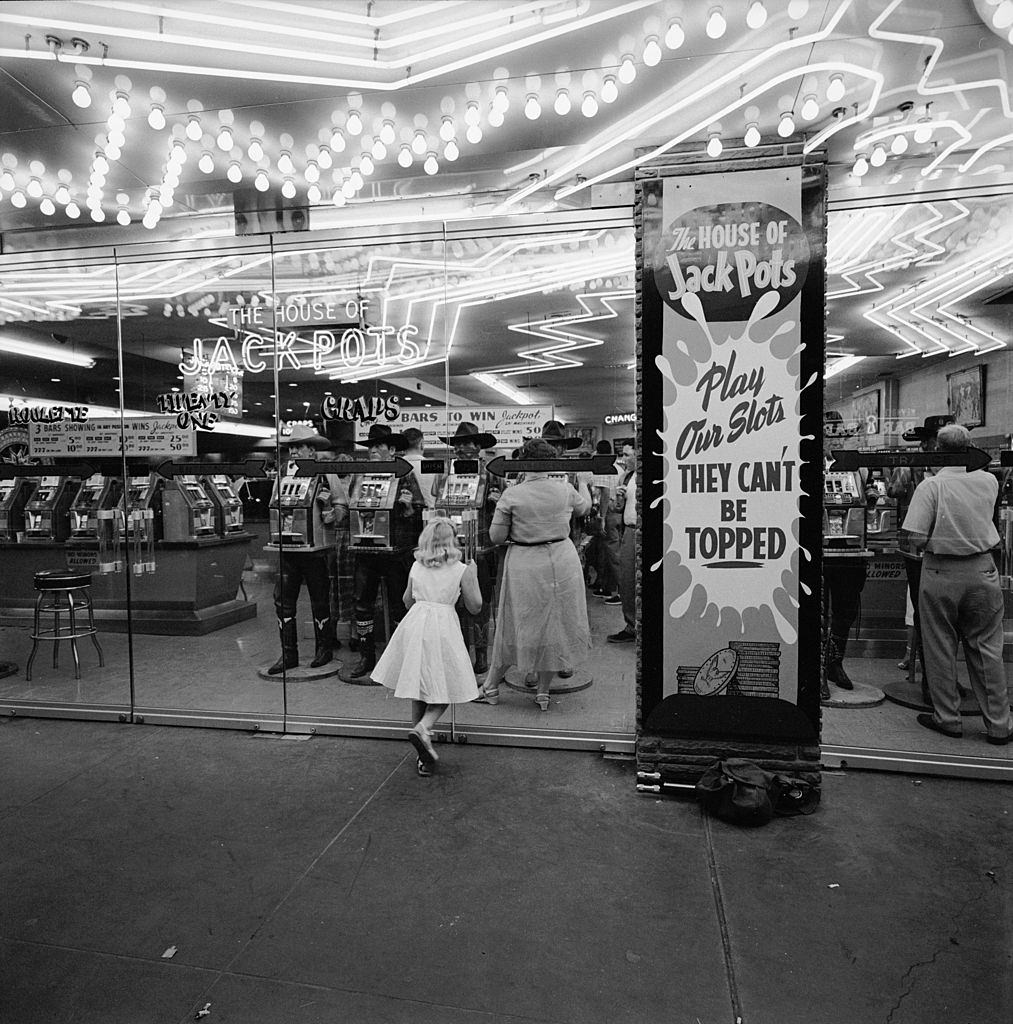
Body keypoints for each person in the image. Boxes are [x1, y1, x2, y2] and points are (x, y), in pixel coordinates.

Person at [902, 423, 1012, 745]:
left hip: (941, 573)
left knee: (940, 647)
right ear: (970, 446)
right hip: (983, 570)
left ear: (938, 449)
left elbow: (917, 538)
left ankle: (948, 718)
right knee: (988, 650)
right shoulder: (989, 481)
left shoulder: (932, 487)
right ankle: (999, 725)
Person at [474, 437, 592, 710]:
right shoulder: (564, 490)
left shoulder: (512, 494)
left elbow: (496, 536)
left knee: (519, 623)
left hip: (526, 561)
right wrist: (583, 483)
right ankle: (543, 692)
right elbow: (584, 507)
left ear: (524, 462)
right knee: (556, 622)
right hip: (562, 558)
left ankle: (491, 685)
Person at [371, 517, 483, 775]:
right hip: (442, 628)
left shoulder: (417, 566)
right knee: (445, 688)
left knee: (418, 688)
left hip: (415, 626)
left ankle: (422, 756)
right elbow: (475, 606)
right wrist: (473, 577)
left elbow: (406, 600)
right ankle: (424, 728)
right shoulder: (461, 569)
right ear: (451, 542)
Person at [339, 424, 426, 683]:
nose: (374, 450)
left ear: (392, 449)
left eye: (380, 446)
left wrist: (410, 509)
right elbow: (350, 504)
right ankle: (367, 656)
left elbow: (419, 510)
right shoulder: (360, 474)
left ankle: (401, 660)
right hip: (365, 548)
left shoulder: (405, 473)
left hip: (397, 550)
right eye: (371, 446)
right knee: (362, 605)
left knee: (400, 604)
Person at [887, 414, 953, 701]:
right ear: (927, 444)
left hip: (946, 548)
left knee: (949, 618)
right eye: (934, 443)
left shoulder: (957, 472)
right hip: (916, 550)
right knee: (924, 614)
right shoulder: (913, 467)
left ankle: (944, 678)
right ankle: (932, 679)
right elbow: (893, 491)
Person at [268, 423, 343, 675]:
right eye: (292, 447)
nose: (295, 452)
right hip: (287, 547)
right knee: (283, 602)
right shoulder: (283, 472)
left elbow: (342, 506)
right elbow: (275, 503)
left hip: (317, 549)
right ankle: (288, 654)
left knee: (320, 599)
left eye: (300, 447)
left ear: (312, 449)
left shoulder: (325, 472)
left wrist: (331, 513)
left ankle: (324, 650)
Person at [433, 422, 502, 675]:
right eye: (459, 444)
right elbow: (436, 503)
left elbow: (501, 511)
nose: (462, 449)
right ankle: (461, 651)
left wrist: (496, 501)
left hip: (482, 547)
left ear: (479, 446)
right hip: (452, 548)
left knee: (480, 603)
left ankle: (482, 654)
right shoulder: (445, 473)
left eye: (468, 443)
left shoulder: (492, 473)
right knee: (456, 603)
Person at [608, 443, 637, 643]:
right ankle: (631, 625)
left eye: (627, 455)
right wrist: (618, 500)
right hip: (630, 531)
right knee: (627, 580)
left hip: (639, 531)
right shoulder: (626, 477)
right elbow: (618, 509)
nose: (623, 459)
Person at [401, 426, 438, 510]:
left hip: (403, 517)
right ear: (421, 444)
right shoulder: (435, 466)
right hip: (431, 517)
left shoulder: (394, 467)